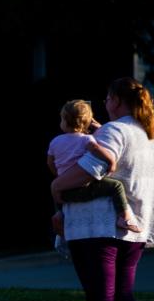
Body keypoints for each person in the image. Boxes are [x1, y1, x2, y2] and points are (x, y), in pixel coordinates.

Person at [51, 77, 154, 301]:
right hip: (135, 227)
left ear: (117, 100)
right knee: (123, 296)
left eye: (107, 97)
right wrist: (98, 133)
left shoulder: (114, 131)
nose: (104, 102)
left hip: (97, 227)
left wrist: (56, 186)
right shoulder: (151, 134)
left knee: (100, 296)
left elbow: (89, 170)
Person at [48, 99, 141, 233]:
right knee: (116, 186)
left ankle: (59, 215)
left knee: (59, 195)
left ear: (64, 121)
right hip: (81, 187)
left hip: (63, 191)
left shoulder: (55, 141)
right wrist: (111, 161)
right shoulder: (86, 139)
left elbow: (50, 162)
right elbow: (97, 149)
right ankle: (124, 218)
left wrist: (58, 175)